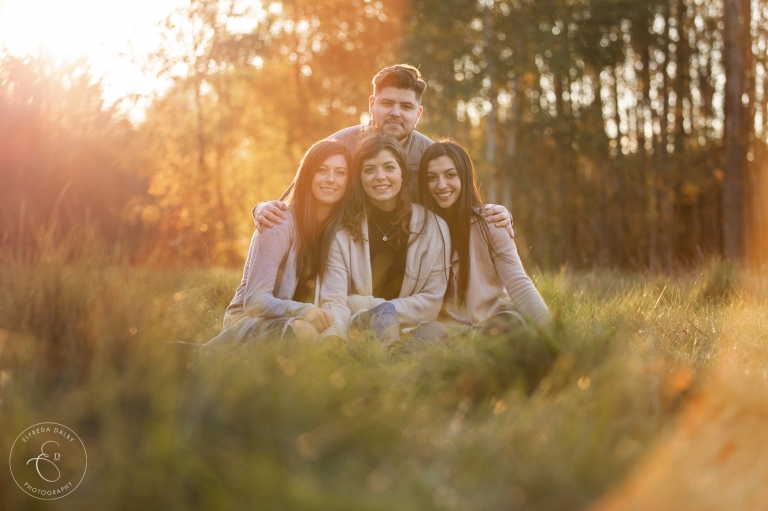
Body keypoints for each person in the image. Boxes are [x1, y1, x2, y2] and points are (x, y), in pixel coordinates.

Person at [252, 64, 512, 233]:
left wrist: (497, 214)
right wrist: (261, 208)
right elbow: (290, 202)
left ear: (418, 113)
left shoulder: (430, 155)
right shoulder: (338, 145)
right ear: (372, 104)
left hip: (408, 257)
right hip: (340, 252)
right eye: (387, 103)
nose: (396, 113)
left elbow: (459, 203)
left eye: (406, 107)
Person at [200, 140, 351, 354]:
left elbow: (335, 299)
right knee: (304, 332)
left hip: (303, 321)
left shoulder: (339, 233)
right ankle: (211, 358)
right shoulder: (278, 222)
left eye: (340, 172)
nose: (330, 179)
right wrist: (302, 310)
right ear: (308, 175)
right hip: (251, 323)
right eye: (322, 170)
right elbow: (254, 301)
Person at [318, 132, 451, 345]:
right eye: (369, 169)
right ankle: (390, 357)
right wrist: (380, 313)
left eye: (389, 167)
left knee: (438, 331)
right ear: (359, 178)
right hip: (360, 327)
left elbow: (432, 302)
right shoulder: (342, 231)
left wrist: (383, 309)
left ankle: (392, 357)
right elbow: (334, 299)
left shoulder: (434, 227)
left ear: (403, 175)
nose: (380, 176)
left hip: (411, 327)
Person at [417, 140, 552, 335]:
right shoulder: (422, 231)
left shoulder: (491, 222)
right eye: (431, 177)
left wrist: (550, 332)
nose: (441, 185)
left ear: (464, 177)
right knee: (425, 336)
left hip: (494, 323)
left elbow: (518, 282)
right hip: (448, 331)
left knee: (509, 330)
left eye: (450, 175)